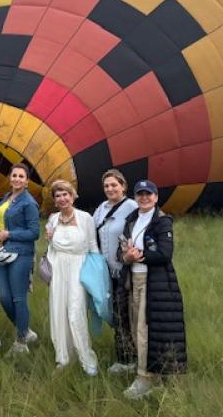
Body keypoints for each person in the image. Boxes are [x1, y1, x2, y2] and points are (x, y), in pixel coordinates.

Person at [119, 180, 187, 400]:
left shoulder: (162, 221)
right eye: (140, 194)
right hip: (133, 280)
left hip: (153, 282)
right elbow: (124, 251)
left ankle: (144, 378)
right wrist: (126, 258)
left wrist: (138, 255)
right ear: (135, 197)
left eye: (149, 194)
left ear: (156, 197)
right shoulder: (131, 220)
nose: (144, 198)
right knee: (136, 326)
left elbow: (165, 254)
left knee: (144, 330)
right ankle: (154, 375)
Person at [45, 180, 99, 375]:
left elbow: (93, 246)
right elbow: (50, 248)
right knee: (58, 312)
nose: (62, 198)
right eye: (57, 195)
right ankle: (63, 357)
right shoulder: (52, 220)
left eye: (65, 194)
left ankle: (86, 358)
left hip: (79, 269)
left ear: (72, 195)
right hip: (58, 270)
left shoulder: (85, 218)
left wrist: (97, 274)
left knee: (75, 313)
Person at [92, 168, 138, 374]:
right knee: (111, 312)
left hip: (125, 270)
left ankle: (127, 360)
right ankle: (127, 353)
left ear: (123, 186)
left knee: (123, 314)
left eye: (114, 185)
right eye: (106, 186)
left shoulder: (132, 206)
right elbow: (90, 230)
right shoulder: (101, 208)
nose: (110, 189)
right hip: (105, 271)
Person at [0, 163, 40, 353]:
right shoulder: (8, 197)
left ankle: (21, 342)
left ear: (27, 181)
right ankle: (25, 329)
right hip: (4, 253)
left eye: (21, 176)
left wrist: (9, 234)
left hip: (21, 254)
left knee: (19, 298)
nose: (17, 179)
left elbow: (34, 232)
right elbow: (0, 218)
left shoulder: (29, 203)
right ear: (10, 177)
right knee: (5, 297)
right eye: (14, 175)